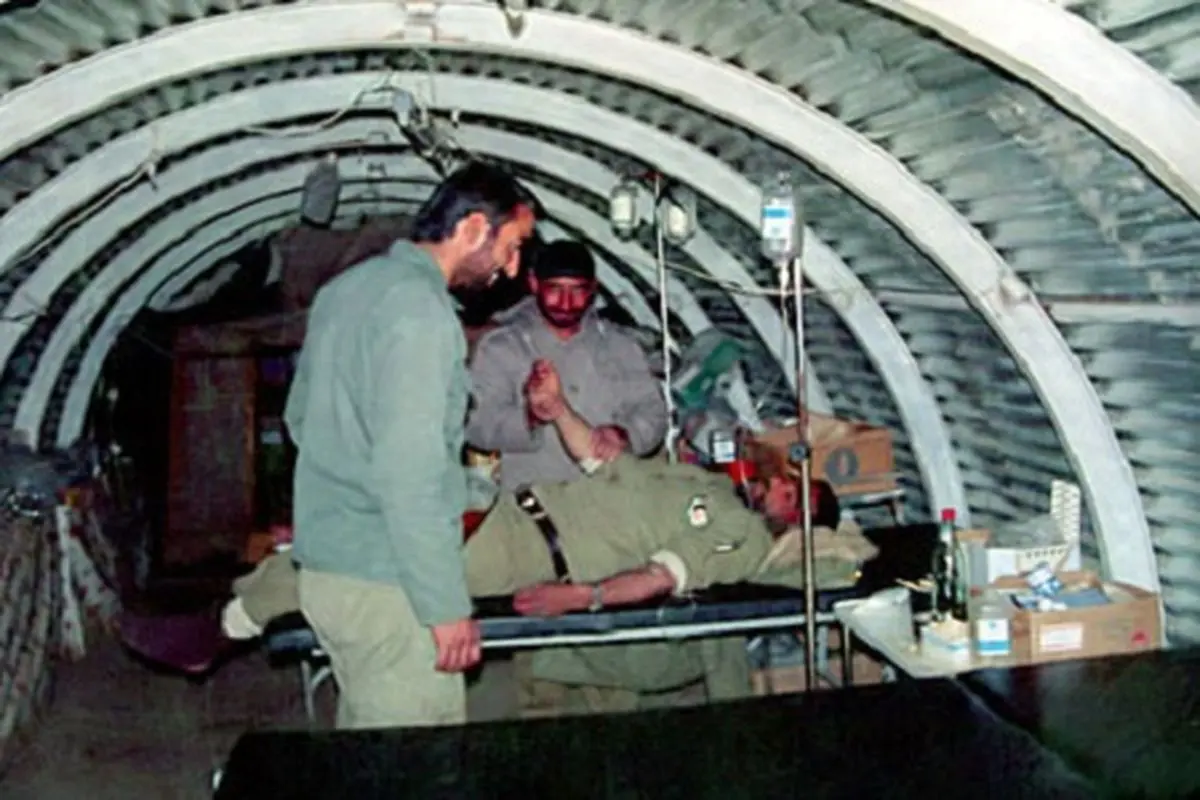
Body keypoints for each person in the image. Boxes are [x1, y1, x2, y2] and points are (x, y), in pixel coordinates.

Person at [223, 449, 876, 716]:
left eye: (795, 498)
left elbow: (658, 577)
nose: (780, 489)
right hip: (513, 506)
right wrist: (558, 407)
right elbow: (603, 460)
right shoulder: (706, 481)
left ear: (796, 521)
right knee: (376, 516)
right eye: (787, 481)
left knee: (374, 557)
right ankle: (271, 574)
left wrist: (583, 598)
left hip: (526, 550)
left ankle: (241, 613)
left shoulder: (743, 534)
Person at [282, 161, 537, 730]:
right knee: (415, 760)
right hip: (389, 584)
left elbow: (300, 420)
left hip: (330, 573)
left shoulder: (345, 291)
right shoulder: (422, 313)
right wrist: (444, 606)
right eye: (512, 247)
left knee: (371, 746)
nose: (512, 268)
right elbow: (410, 476)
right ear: (473, 228)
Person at [466, 239, 668, 490]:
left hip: (610, 496)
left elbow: (654, 413)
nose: (565, 302)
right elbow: (477, 427)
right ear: (534, 284)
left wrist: (625, 435)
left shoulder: (620, 345)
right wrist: (530, 417)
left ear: (593, 289)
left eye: (577, 291)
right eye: (555, 289)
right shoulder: (502, 347)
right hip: (534, 499)